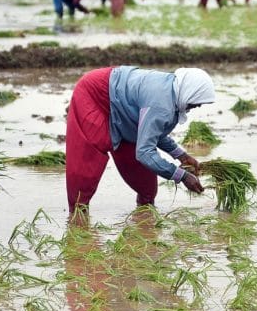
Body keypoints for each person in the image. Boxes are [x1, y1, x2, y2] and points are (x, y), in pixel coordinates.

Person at [65, 66, 215, 218]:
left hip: (125, 111)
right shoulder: (161, 104)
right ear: (189, 91)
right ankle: (77, 220)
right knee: (86, 165)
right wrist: (182, 176)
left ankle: (144, 220)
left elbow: (154, 131)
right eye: (197, 101)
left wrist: (181, 156)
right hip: (96, 95)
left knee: (147, 187)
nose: (199, 106)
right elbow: (144, 153)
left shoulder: (174, 93)